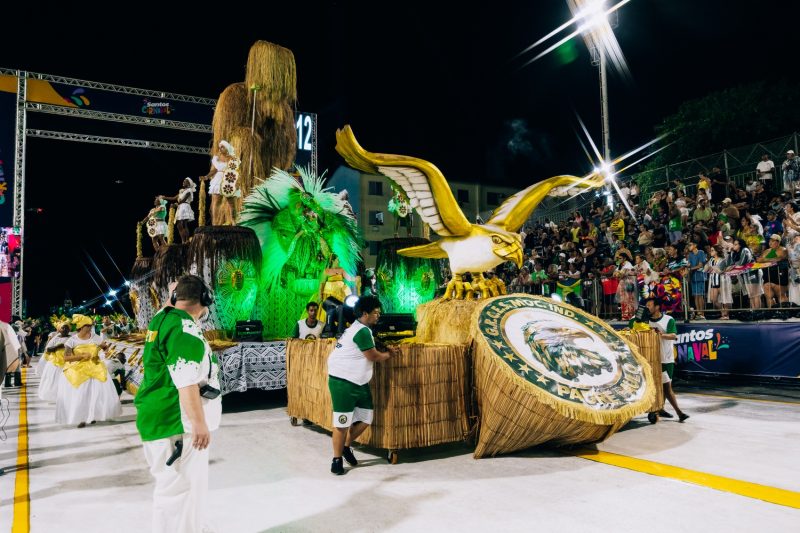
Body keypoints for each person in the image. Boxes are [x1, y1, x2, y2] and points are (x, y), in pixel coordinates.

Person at [134, 275, 221, 533]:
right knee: (180, 490)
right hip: (177, 422)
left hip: (161, 415)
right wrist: (199, 423)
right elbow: (186, 382)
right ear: (205, 301)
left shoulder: (162, 319)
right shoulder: (185, 330)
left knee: (182, 488)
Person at [326, 295, 395, 475]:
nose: (378, 316)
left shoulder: (360, 328)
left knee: (366, 418)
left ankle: (346, 446)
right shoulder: (361, 331)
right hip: (343, 382)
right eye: (376, 313)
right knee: (341, 423)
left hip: (359, 381)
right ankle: (336, 459)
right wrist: (388, 355)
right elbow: (373, 357)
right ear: (365, 314)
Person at [58, 314, 121, 428]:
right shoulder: (71, 341)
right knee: (81, 395)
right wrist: (81, 356)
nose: (90, 328)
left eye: (91, 326)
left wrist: (106, 352)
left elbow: (104, 347)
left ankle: (91, 416)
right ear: (81, 327)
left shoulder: (95, 337)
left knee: (94, 395)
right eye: (88, 326)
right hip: (79, 371)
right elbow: (66, 358)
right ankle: (81, 418)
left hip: (95, 368)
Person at [641, 297, 689, 423]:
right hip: (651, 359)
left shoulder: (668, 320)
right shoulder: (644, 321)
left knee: (665, 387)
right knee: (664, 387)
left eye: (649, 305)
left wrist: (659, 335)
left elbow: (673, 335)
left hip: (666, 359)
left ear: (657, 307)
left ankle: (659, 409)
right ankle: (676, 412)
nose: (647, 308)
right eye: (646, 306)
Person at [202, 140, 240, 226]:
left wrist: (237, 182)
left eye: (222, 147)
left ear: (227, 148)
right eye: (219, 147)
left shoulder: (233, 159)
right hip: (218, 180)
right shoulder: (216, 159)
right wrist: (207, 176)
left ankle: (234, 221)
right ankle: (215, 223)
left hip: (229, 180)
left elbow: (236, 171)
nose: (220, 148)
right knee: (216, 203)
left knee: (232, 203)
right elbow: (214, 170)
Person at [38, 320, 71, 402]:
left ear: (69, 330)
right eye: (63, 328)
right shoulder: (56, 337)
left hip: (67, 362)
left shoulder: (71, 338)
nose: (65, 329)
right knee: (53, 379)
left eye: (67, 328)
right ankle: (54, 396)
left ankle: (65, 396)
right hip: (55, 362)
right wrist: (58, 347)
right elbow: (48, 349)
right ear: (60, 329)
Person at [758, 233, 789, 309]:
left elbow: (779, 259)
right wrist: (769, 260)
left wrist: (765, 260)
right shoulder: (767, 251)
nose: (770, 242)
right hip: (767, 275)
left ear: (778, 242)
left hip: (779, 274)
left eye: (772, 241)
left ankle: (785, 312)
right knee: (768, 296)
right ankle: (772, 313)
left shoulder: (783, 250)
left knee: (780, 294)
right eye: (769, 241)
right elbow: (759, 260)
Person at [162, 177, 197, 243]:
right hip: (180, 207)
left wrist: (176, 204)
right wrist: (164, 197)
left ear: (189, 183)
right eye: (183, 181)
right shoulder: (181, 191)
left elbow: (184, 200)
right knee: (179, 225)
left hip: (185, 207)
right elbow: (173, 198)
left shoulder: (189, 191)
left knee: (184, 224)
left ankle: (186, 240)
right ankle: (183, 241)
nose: (183, 182)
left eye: (185, 181)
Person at [704, 245, 732, 319]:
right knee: (713, 299)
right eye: (711, 250)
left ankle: (726, 315)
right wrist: (709, 267)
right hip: (714, 280)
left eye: (712, 250)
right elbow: (705, 269)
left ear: (717, 251)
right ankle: (723, 312)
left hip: (723, 280)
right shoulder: (711, 260)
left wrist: (714, 269)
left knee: (725, 298)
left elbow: (722, 270)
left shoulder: (722, 259)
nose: (711, 252)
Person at [686, 242, 707, 320]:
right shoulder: (690, 255)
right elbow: (689, 264)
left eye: (690, 245)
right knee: (695, 295)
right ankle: (698, 312)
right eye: (688, 245)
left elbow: (700, 265)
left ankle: (702, 313)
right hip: (693, 277)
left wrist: (691, 268)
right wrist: (688, 266)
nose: (689, 247)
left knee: (700, 295)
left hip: (700, 276)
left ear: (695, 245)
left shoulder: (701, 252)